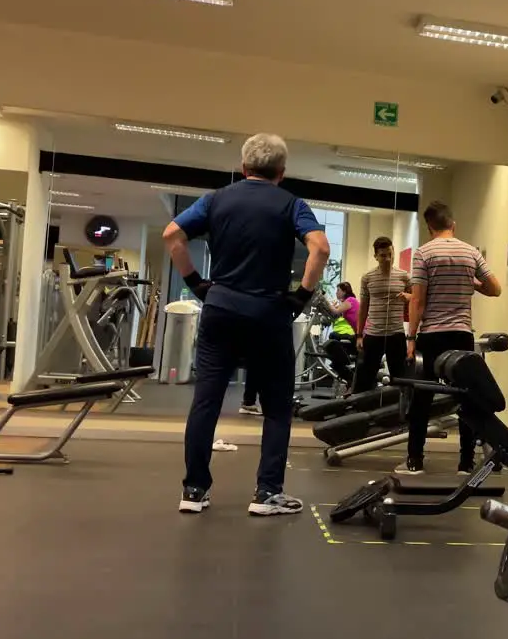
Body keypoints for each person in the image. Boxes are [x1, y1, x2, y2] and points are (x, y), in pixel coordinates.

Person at [164, 132, 330, 516]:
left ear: (243, 168)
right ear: (282, 172)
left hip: (220, 307)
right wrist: (300, 297)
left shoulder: (216, 199)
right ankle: (267, 493)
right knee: (275, 407)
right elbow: (320, 248)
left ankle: (194, 490)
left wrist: (196, 284)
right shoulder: (291, 203)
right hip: (268, 312)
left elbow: (172, 235)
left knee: (206, 401)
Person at [401, 202, 502, 475]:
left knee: (422, 398)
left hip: (432, 335)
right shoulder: (470, 252)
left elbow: (418, 301)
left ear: (430, 227)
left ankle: (415, 460)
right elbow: (495, 289)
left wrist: (411, 339)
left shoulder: (423, 253)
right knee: (466, 398)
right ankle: (466, 463)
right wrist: (473, 282)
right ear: (452, 224)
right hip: (461, 335)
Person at [354, 237, 411, 393]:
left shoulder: (405, 277)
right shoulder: (367, 277)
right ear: (376, 257)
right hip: (373, 334)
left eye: (390, 254)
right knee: (365, 377)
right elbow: (363, 307)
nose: (387, 259)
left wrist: (409, 297)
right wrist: (359, 335)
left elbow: (417, 301)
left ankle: (398, 413)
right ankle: (361, 412)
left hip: (396, 333)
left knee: (400, 378)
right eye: (383, 255)